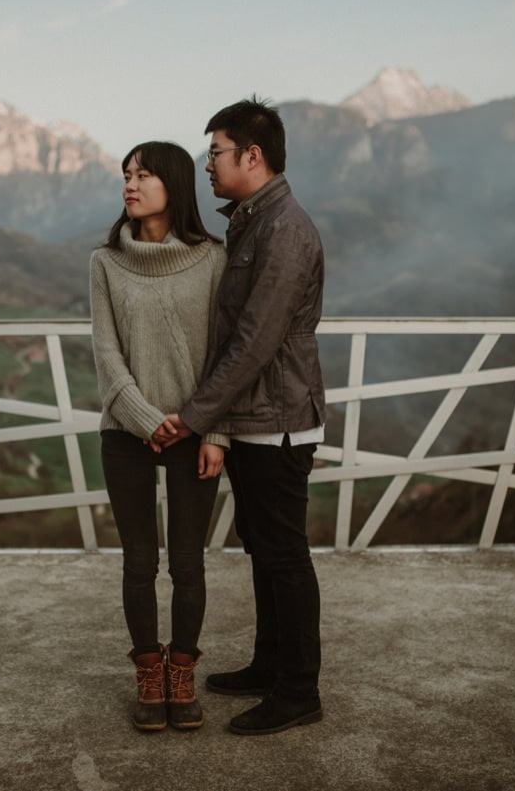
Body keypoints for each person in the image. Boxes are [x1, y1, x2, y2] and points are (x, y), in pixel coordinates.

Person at [153, 97, 327, 736]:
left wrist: (194, 417)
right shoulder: (253, 222)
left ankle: (299, 689)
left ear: (253, 156)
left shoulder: (285, 229)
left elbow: (254, 339)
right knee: (262, 548)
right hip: (257, 417)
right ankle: (270, 664)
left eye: (217, 152)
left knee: (283, 554)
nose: (208, 165)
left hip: (279, 418)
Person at [90, 140, 229, 732]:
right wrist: (148, 420)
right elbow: (105, 353)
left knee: (189, 563)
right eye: (126, 174)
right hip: (127, 433)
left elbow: (225, 356)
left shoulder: (213, 260)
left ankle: (183, 673)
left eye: (143, 174)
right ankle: (149, 674)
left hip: (196, 433)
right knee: (139, 562)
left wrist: (211, 430)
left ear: (174, 183)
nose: (131, 183)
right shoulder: (104, 262)